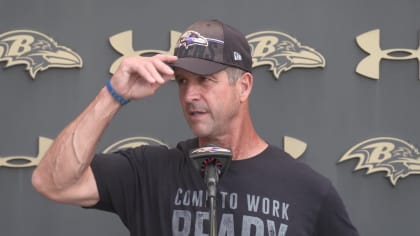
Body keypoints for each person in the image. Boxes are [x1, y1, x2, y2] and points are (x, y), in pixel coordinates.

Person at [32, 19, 359, 236]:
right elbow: (52, 183)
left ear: (243, 86)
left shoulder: (306, 190)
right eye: (183, 81)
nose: (190, 94)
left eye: (205, 80)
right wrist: (113, 94)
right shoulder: (149, 172)